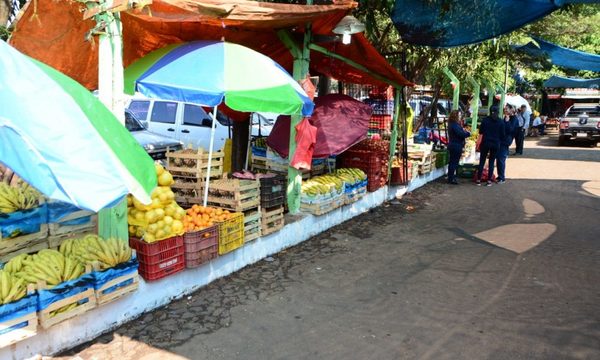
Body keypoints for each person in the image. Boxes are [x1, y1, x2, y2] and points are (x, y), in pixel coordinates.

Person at [476, 105, 505, 186]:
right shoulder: (501, 121)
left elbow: (481, 132)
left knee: (482, 161)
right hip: (495, 144)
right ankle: (489, 181)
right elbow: (503, 135)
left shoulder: (485, 120)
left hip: (485, 143)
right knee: (491, 162)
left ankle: (478, 180)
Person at [447, 110, 470, 184]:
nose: (460, 117)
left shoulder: (453, 124)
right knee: (454, 162)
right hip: (456, 145)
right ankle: (451, 178)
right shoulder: (455, 125)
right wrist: (467, 133)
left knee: (452, 162)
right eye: (459, 115)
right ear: (455, 116)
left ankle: (451, 176)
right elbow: (461, 134)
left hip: (454, 144)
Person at [496, 105, 519, 184]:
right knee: (499, 159)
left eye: (506, 109)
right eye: (504, 109)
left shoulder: (514, 119)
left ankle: (502, 177)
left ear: (511, 110)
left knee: (501, 159)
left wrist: (507, 121)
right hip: (501, 140)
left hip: (505, 142)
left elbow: (510, 130)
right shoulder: (506, 117)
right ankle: (500, 176)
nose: (505, 110)